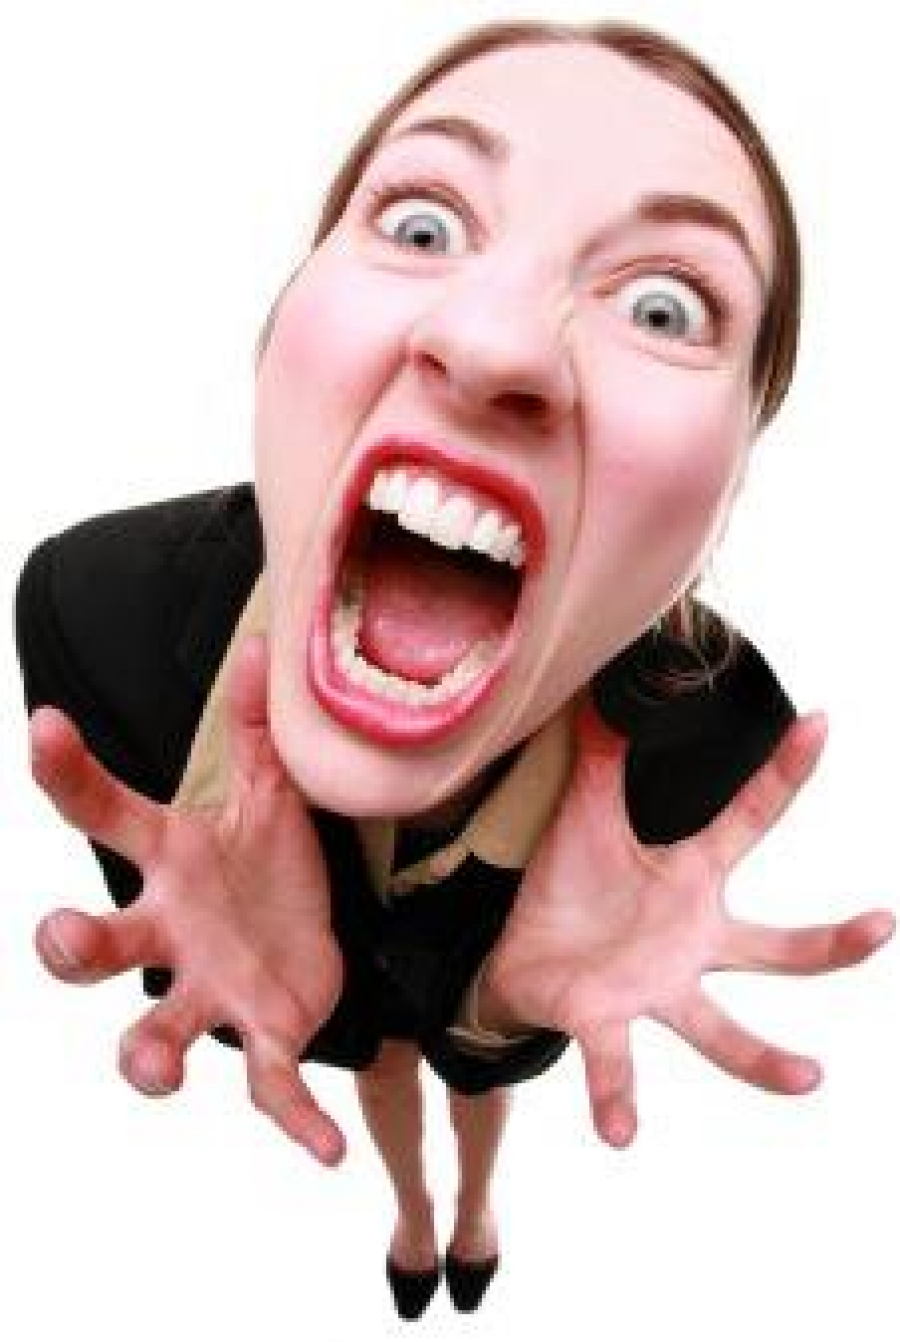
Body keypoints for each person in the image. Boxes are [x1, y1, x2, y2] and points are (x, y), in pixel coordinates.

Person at [15, 18, 893, 1321]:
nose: (496, 344)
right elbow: (220, 955)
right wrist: (256, 985)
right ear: (283, 322)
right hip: (349, 985)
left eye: (664, 306)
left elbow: (508, 1021)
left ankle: (474, 1204)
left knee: (472, 1076)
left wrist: (500, 1012)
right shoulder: (97, 614)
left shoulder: (718, 738)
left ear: (723, 495)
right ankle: (416, 1214)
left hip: (476, 993)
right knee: (382, 1061)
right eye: (423, 224)